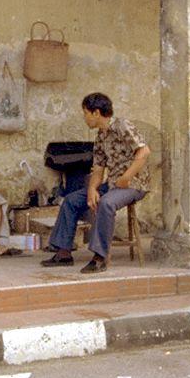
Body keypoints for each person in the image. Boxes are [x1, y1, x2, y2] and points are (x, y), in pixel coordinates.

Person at [42, 92, 150, 273]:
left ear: (96, 112)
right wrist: (92, 189)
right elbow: (98, 168)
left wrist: (127, 177)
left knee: (106, 203)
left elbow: (144, 152)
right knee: (71, 200)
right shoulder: (100, 137)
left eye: (85, 113)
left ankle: (100, 257)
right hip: (113, 184)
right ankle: (63, 252)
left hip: (134, 185)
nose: (84, 117)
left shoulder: (122, 125)